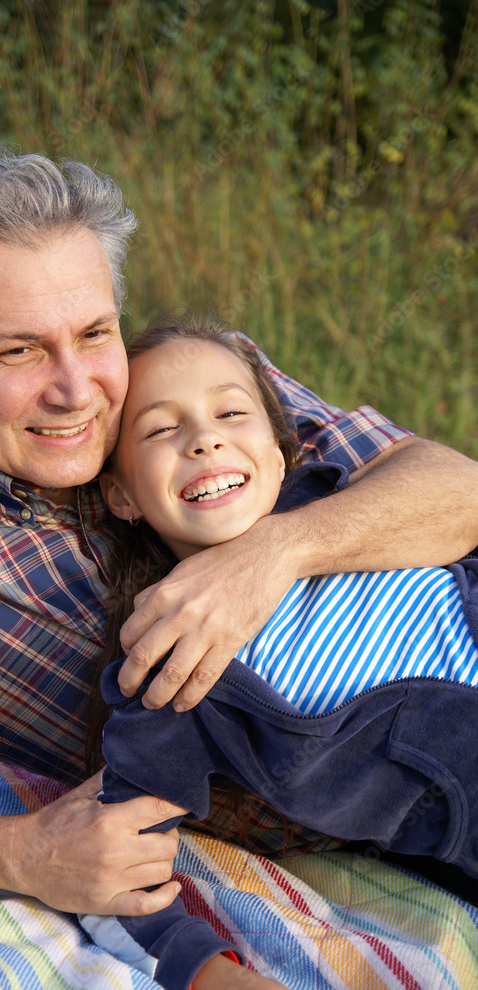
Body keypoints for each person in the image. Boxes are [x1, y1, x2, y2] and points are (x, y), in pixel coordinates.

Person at [0, 142, 478, 985]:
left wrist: (274, 551)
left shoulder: (188, 388)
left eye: (94, 333)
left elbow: (456, 490)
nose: (77, 389)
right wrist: (13, 851)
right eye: (18, 352)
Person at [81, 313, 478, 990]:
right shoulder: (174, 669)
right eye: (158, 429)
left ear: (278, 449)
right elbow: (116, 861)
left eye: (230, 413)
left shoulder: (353, 511)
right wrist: (209, 973)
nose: (203, 439)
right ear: (120, 495)